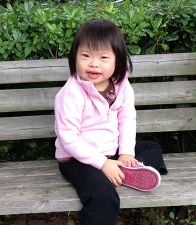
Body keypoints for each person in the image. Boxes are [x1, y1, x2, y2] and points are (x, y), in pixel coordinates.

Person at [54, 18, 161, 225]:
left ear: (117, 60)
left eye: (103, 57)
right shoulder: (70, 94)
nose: (93, 63)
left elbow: (127, 118)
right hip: (78, 159)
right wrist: (103, 164)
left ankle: (124, 169)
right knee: (103, 195)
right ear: (74, 57)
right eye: (85, 56)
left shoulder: (122, 86)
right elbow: (68, 138)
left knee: (152, 148)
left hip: (111, 151)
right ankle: (116, 175)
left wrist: (126, 152)